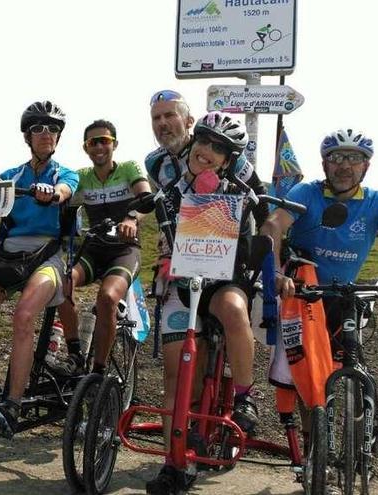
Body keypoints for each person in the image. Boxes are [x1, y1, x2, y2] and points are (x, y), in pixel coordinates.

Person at [143, 111, 268, 494]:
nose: (207, 152)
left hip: (223, 280)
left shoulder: (243, 185)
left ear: (229, 160)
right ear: (194, 141)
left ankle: (246, 399)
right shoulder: (171, 184)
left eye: (219, 149)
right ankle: (172, 464)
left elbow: (266, 217)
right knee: (176, 374)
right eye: (203, 142)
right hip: (182, 281)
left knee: (233, 310)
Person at [260, 129, 378, 401]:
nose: (345, 166)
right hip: (303, 294)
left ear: (366, 165)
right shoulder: (305, 192)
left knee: (346, 366)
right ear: (324, 164)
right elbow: (272, 225)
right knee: (306, 380)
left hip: (344, 297)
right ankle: (311, 437)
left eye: (354, 158)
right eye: (336, 157)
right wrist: (276, 273)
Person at [0, 101, 78, 436]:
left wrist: (53, 193)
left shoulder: (64, 173)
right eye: (38, 128)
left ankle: (12, 405)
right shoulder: (10, 176)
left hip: (49, 255)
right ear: (27, 136)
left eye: (52, 129)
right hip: (8, 254)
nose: (46, 134)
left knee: (24, 315)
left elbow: (66, 190)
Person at [54, 119, 151, 376]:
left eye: (104, 141)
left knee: (107, 297)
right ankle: (75, 354)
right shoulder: (83, 177)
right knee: (63, 284)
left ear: (114, 144)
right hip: (94, 249)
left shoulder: (128, 168)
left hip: (124, 249)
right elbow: (65, 205)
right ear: (86, 148)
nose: (98, 146)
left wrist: (131, 218)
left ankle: (98, 370)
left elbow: (146, 199)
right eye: (92, 142)